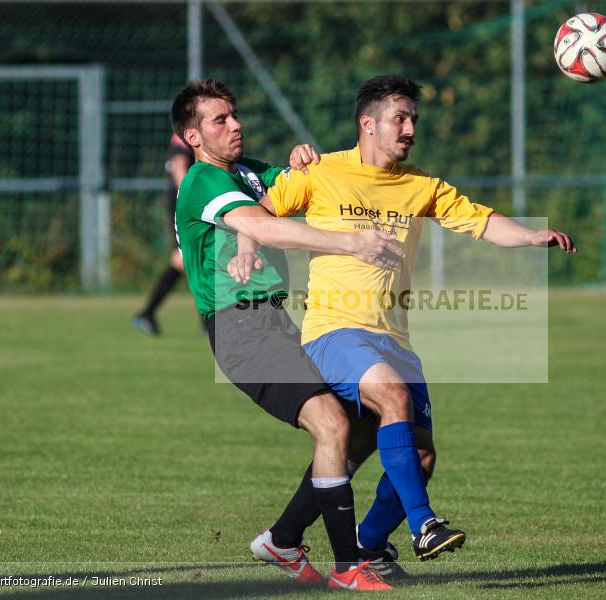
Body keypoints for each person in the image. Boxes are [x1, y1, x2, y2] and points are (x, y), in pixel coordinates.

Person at [233, 74, 576, 579]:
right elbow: (257, 214)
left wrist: (529, 237)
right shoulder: (321, 170)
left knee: (419, 453)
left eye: (414, 118)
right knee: (391, 399)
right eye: (401, 117)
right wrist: (245, 249)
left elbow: (480, 221)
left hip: (394, 336)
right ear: (367, 124)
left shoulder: (422, 186)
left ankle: (358, 543)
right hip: (334, 329)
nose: (411, 128)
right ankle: (424, 524)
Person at [172, 78, 406, 591]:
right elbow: (270, 226)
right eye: (220, 120)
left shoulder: (252, 173)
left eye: (234, 115)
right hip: (240, 330)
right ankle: (349, 566)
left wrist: (306, 162)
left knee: (363, 422)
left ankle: (283, 538)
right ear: (193, 138)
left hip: (279, 322)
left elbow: (306, 191)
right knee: (331, 424)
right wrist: (351, 243)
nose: (235, 125)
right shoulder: (202, 182)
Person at [132, 133, 194, 336]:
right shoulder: (188, 130)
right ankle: (146, 314)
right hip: (185, 205)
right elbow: (178, 165)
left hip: (185, 204)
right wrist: (192, 198)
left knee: (190, 259)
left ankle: (147, 314)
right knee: (187, 258)